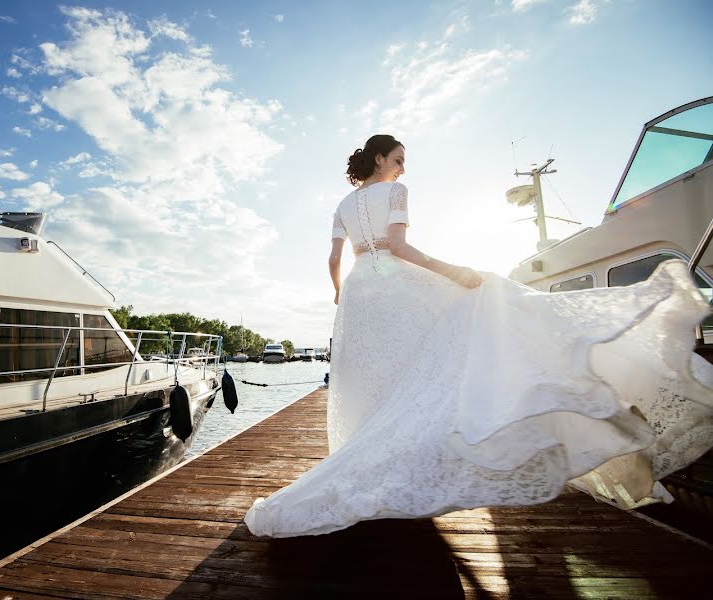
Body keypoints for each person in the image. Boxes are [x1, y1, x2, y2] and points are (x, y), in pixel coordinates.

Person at [244, 134, 713, 538]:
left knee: (371, 382)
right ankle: (399, 473)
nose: (404, 167)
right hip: (395, 281)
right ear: (381, 159)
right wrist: (455, 271)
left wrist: (340, 294)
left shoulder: (342, 205)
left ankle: (366, 469)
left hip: (359, 292)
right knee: (434, 355)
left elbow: (333, 260)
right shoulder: (397, 191)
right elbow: (400, 247)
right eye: (399, 158)